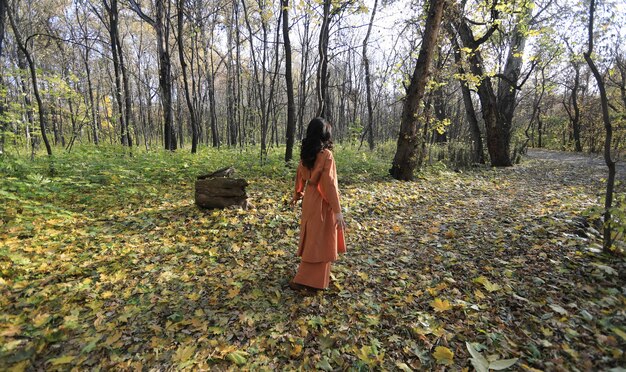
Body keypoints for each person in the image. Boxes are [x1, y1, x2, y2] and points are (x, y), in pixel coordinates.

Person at [290, 117, 346, 292]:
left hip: (309, 200)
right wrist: (337, 211)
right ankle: (307, 281)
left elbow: (300, 175)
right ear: (325, 134)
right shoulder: (326, 155)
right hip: (322, 201)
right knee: (320, 240)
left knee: (314, 238)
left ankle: (315, 279)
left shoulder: (307, 154)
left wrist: (298, 193)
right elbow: (329, 184)